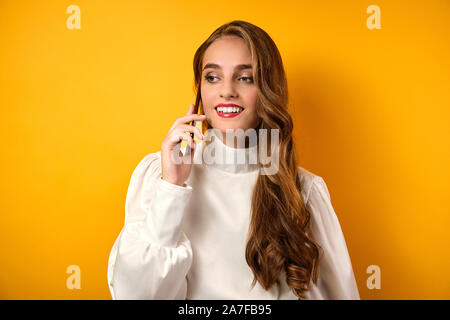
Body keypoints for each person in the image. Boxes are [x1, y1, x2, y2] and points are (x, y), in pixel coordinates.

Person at [107, 20, 360, 300]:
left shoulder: (304, 190)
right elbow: (135, 295)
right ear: (200, 89)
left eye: (245, 77)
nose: (226, 91)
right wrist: (172, 187)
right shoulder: (159, 175)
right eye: (213, 77)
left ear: (268, 90)